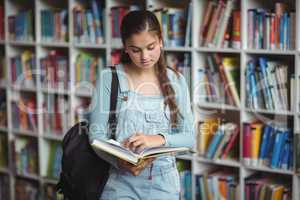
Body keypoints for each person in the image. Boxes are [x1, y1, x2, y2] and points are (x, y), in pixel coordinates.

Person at [89, 10, 195, 200]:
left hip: (164, 184)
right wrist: (120, 162)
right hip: (120, 182)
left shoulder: (176, 80)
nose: (145, 56)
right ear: (125, 48)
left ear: (161, 41)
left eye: (151, 47)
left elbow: (189, 137)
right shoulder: (109, 78)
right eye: (136, 50)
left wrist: (157, 139)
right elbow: (96, 136)